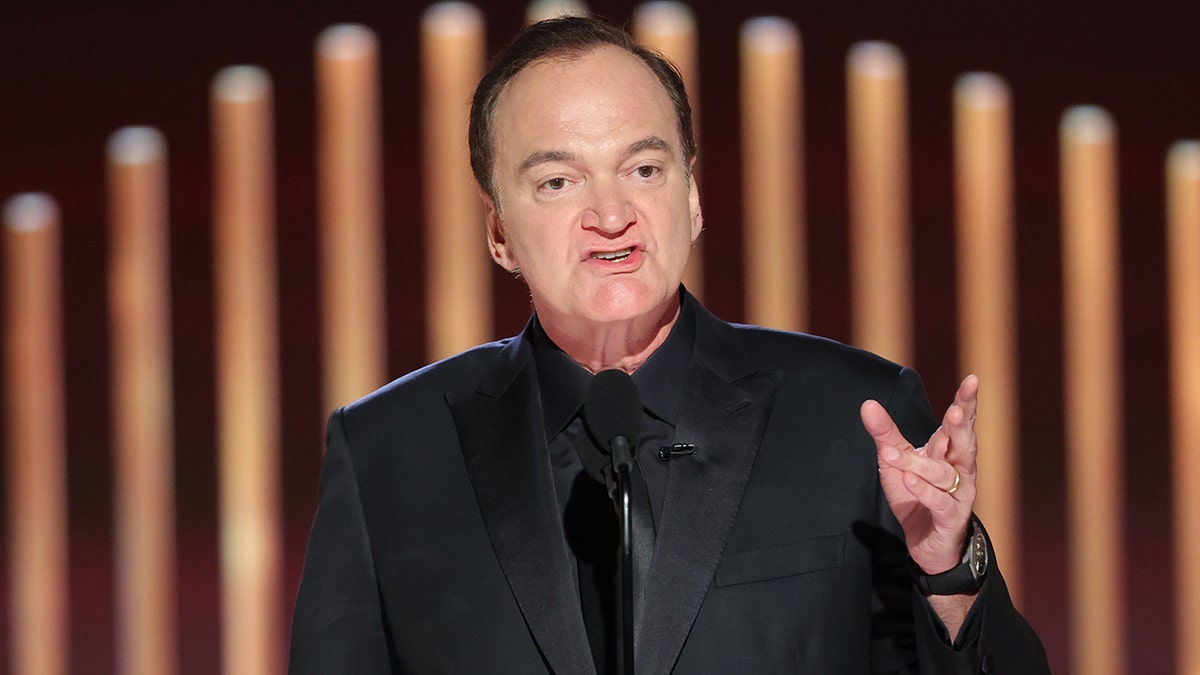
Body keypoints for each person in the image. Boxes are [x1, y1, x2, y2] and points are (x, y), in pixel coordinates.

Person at [289, 15, 1048, 674]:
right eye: (558, 182)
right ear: (498, 233)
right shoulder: (390, 452)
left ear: (690, 197)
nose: (611, 213)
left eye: (644, 168)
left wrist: (950, 570)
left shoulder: (854, 419)